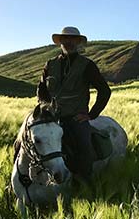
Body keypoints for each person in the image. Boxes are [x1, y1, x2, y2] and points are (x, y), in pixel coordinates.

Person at [36, 26, 111, 182]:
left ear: (78, 42)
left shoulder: (87, 65)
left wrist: (91, 114)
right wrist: (45, 107)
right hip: (52, 118)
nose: (68, 42)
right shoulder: (50, 64)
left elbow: (104, 91)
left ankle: (85, 183)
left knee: (85, 148)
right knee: (28, 142)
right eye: (65, 39)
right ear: (60, 42)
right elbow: (41, 89)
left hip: (75, 118)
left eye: (72, 39)